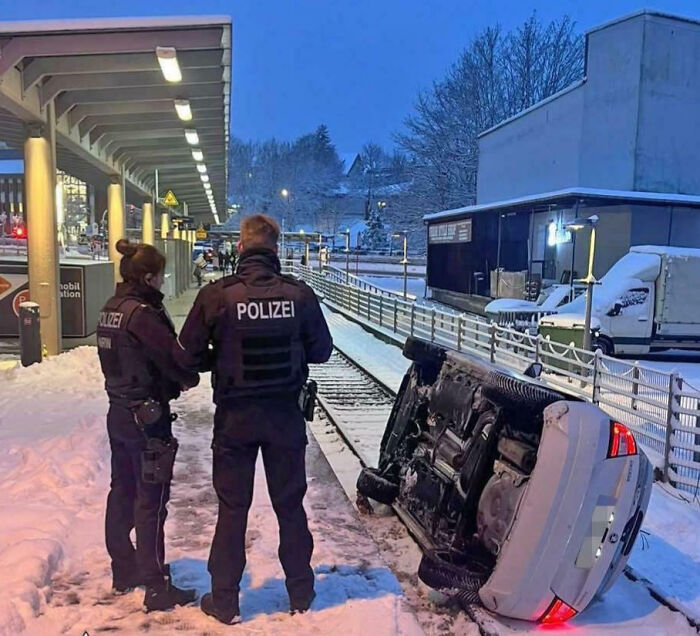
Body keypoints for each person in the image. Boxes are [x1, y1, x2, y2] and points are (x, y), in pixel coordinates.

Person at [175, 214, 333, 625]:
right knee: (290, 507)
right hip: (284, 418)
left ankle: (225, 600)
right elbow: (321, 351)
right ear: (276, 249)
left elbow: (186, 356)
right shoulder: (299, 296)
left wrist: (220, 357)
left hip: (235, 420)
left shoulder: (217, 295)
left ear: (241, 247)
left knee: (232, 509)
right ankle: (301, 592)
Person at [96, 239, 199, 612]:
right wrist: (188, 378)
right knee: (151, 501)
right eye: (160, 276)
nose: (162, 282)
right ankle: (156, 587)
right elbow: (177, 362)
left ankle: (125, 570)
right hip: (147, 418)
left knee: (121, 491)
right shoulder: (143, 315)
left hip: (119, 413)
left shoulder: (112, 308)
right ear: (149, 276)